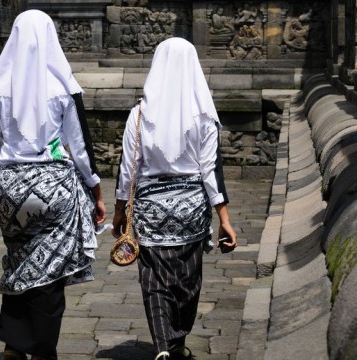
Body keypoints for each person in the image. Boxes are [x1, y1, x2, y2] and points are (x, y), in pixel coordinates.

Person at [0, 9, 106, 360]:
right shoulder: (62, 86)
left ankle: (15, 343)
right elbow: (79, 147)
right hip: (53, 186)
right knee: (51, 270)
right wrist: (96, 190)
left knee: (20, 260)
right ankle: (42, 349)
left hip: (11, 190)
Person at [112, 37, 237, 360]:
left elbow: (128, 172)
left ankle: (163, 344)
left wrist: (118, 213)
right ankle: (177, 338)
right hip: (192, 211)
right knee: (187, 279)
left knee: (153, 278)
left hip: (150, 211)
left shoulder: (138, 115)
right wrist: (224, 220)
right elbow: (210, 172)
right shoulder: (204, 117)